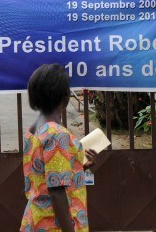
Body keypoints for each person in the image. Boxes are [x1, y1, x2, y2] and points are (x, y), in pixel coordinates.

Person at [21, 64, 98, 232]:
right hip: (55, 226)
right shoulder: (57, 134)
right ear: (65, 98)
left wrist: (77, 164)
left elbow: (44, 171)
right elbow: (56, 191)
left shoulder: (34, 130)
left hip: (35, 220)